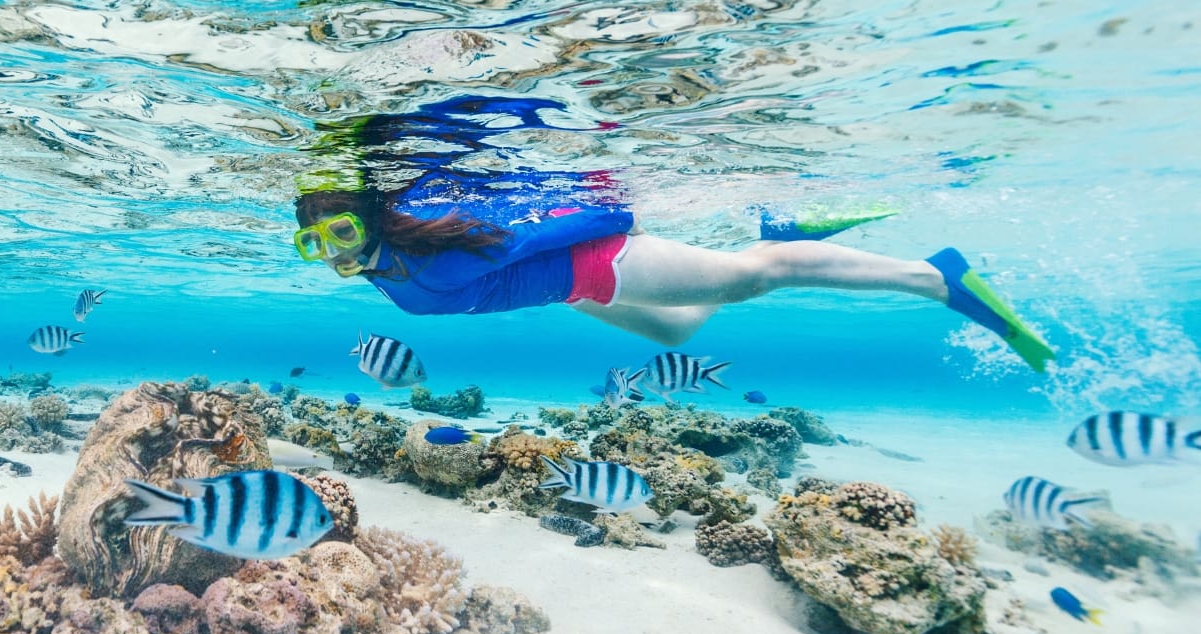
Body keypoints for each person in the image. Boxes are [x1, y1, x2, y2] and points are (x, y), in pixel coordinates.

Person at [291, 96, 1054, 372]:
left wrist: (612, 210)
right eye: (314, 243)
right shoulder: (398, 271)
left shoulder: (439, 242)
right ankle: (779, 227)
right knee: (678, 334)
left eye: (342, 228)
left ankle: (937, 275)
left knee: (756, 278)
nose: (334, 251)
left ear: (373, 212)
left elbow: (548, 233)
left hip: (603, 261)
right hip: (574, 291)